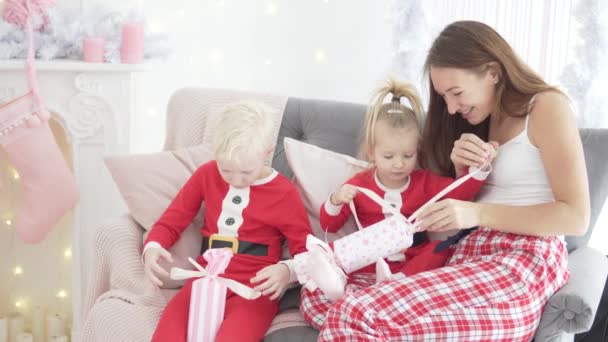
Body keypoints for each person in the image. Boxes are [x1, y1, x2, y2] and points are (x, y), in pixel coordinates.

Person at [318, 20, 590, 341]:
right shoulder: (481, 120)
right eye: (443, 96)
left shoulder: (545, 106)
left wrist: (475, 213)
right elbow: (458, 221)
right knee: (320, 300)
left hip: (521, 260)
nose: (450, 107)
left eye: (456, 92)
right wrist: (464, 175)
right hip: (469, 252)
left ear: (493, 72)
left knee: (354, 314)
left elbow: (575, 217)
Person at [298, 79, 495, 329]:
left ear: (417, 150)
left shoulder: (424, 182)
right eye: (388, 156)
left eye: (408, 156)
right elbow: (330, 224)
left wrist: (478, 169)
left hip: (410, 266)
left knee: (442, 248)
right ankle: (358, 297)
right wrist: (336, 200)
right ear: (372, 152)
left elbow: (459, 193)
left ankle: (395, 285)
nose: (399, 164)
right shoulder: (360, 184)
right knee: (332, 265)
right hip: (367, 263)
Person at [142, 101, 311, 341]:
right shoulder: (206, 174)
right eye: (227, 170)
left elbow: (304, 249)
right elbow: (172, 220)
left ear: (267, 152)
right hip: (204, 279)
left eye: (246, 172)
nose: (236, 180)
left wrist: (287, 270)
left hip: (255, 290)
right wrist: (153, 246)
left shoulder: (284, 193)